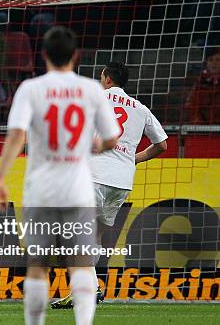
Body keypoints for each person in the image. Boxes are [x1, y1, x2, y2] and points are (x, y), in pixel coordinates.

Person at [0, 26, 120, 325]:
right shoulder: (92, 89)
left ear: (43, 55)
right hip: (78, 189)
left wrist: (0, 178)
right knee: (80, 265)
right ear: (75, 56)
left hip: (42, 191)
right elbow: (113, 139)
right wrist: (94, 145)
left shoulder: (31, 88)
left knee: (37, 266)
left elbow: (17, 135)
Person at [51, 61, 168, 309]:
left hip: (94, 175)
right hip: (122, 183)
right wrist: (133, 159)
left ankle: (90, 289)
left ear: (106, 79)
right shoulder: (140, 108)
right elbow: (162, 145)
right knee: (94, 238)